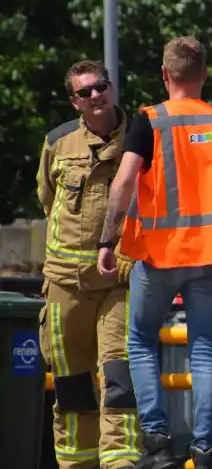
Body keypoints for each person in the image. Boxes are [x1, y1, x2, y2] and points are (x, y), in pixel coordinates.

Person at [96, 36, 212, 469]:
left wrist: (107, 240)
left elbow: (124, 182)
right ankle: (206, 449)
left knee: (140, 341)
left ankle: (156, 444)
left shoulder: (150, 121)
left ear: (165, 74)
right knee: (205, 348)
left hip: (159, 256)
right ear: (204, 75)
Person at [35, 60, 144, 469]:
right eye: (85, 92)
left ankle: (120, 461)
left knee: (119, 377)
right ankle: (77, 463)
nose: (95, 95)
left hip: (119, 281)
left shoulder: (141, 137)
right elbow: (48, 199)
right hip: (65, 283)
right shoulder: (57, 142)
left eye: (101, 86)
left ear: (112, 88)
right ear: (74, 101)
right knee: (72, 383)